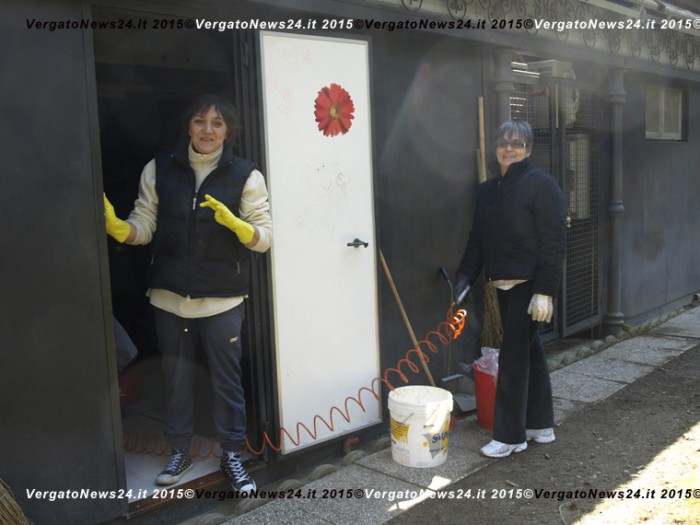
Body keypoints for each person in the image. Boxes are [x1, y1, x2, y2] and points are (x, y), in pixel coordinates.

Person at [103, 95, 272, 492]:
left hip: (222, 300)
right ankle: (180, 450)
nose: (207, 130)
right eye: (200, 121)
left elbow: (265, 238)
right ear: (188, 126)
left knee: (227, 382)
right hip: (169, 297)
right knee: (175, 379)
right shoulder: (158, 168)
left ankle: (232, 455)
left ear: (228, 131)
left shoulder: (247, 175)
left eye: (217, 123)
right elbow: (144, 225)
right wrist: (119, 228)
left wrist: (239, 226)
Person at [454, 120, 566, 458]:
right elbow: (477, 239)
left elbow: (554, 241)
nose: (509, 148)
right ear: (495, 147)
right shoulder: (488, 191)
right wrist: (464, 277)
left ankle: (510, 436)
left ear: (528, 149)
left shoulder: (541, 185)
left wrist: (545, 291)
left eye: (517, 143)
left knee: (514, 359)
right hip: (501, 284)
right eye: (503, 142)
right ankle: (540, 425)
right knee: (530, 353)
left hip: (529, 286)